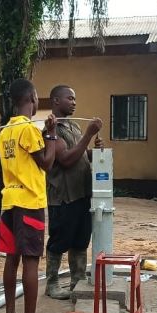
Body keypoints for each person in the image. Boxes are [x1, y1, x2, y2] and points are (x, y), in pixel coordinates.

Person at [0, 78, 58, 313]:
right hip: (29, 202)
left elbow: (25, 157)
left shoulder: (5, 132)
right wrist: (51, 134)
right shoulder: (28, 130)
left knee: (12, 258)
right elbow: (46, 163)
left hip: (9, 201)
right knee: (31, 260)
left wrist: (43, 134)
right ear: (32, 98)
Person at [44, 85, 103, 299]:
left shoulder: (74, 127)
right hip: (63, 197)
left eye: (75, 98)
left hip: (82, 193)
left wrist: (92, 151)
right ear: (56, 101)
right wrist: (89, 134)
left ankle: (76, 282)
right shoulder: (52, 130)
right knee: (59, 241)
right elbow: (66, 159)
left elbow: (78, 154)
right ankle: (51, 285)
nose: (74, 102)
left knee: (80, 240)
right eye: (70, 98)